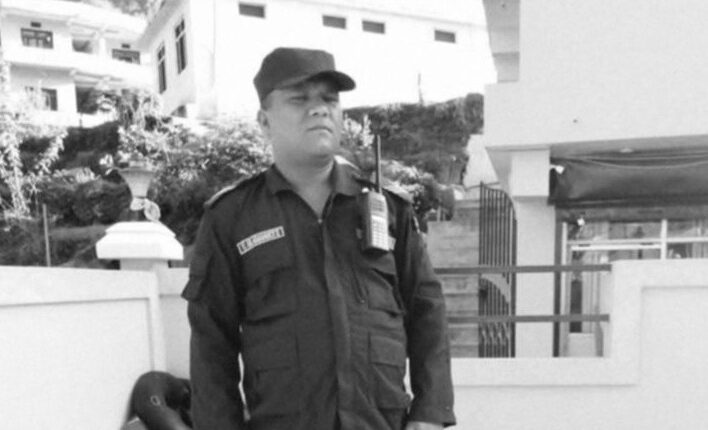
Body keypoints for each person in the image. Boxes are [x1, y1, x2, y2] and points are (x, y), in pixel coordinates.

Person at [182, 46, 456, 430]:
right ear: (264, 121)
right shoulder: (232, 217)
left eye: (329, 99)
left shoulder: (389, 210)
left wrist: (430, 413)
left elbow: (428, 313)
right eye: (299, 99)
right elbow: (211, 340)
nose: (319, 110)